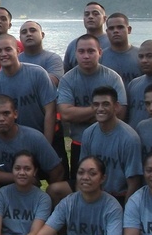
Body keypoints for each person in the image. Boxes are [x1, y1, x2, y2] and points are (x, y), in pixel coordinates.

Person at [0, 95, 64, 211]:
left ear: (15, 114)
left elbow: (57, 170)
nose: (1, 119)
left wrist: (46, 195)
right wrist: (18, 177)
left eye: (6, 113)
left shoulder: (34, 137)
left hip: (27, 189)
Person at [57, 34, 127, 180]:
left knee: (109, 183)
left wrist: (81, 114)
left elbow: (120, 112)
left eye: (91, 51)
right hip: (79, 142)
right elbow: (66, 114)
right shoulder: (68, 79)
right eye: (81, 52)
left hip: (109, 142)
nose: (86, 56)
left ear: (100, 53)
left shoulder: (112, 78)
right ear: (75, 54)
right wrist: (102, 110)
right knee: (81, 184)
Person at [0, 33, 57, 144]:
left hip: (42, 138)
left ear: (18, 51)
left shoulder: (38, 74)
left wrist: (46, 145)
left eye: (8, 49)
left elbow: (50, 111)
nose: (3, 54)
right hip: (12, 144)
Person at [81, 86, 142, 202]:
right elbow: (82, 172)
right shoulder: (88, 133)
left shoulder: (129, 138)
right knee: (56, 190)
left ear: (116, 106)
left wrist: (126, 212)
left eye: (106, 104)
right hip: (94, 192)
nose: (100, 109)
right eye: (96, 104)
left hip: (119, 196)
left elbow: (133, 183)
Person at [62, 2, 109, 72]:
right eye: (87, 14)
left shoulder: (112, 44)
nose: (90, 17)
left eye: (95, 14)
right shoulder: (73, 45)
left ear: (104, 19)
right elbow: (65, 74)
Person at [100, 13, 141, 87]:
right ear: (107, 32)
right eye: (111, 28)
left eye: (120, 27)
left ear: (129, 30)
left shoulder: (141, 56)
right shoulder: (100, 58)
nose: (115, 31)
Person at [18, 20, 65, 85]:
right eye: (24, 32)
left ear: (42, 35)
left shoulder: (53, 58)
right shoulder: (15, 60)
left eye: (32, 30)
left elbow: (51, 82)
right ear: (20, 38)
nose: (28, 34)